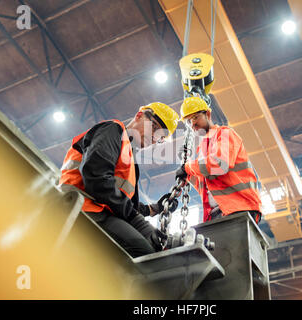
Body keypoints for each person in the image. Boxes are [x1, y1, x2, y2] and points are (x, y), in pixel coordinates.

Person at [59, 102, 180, 257]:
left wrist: (153, 209)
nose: (154, 137)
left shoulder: (130, 160)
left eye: (160, 137)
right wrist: (136, 220)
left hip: (102, 211)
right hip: (82, 206)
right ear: (139, 115)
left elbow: (125, 204)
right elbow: (96, 177)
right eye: (154, 127)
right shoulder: (112, 130)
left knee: (152, 250)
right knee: (142, 251)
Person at [175, 97, 262, 224]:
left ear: (208, 114)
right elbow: (204, 186)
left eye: (195, 117)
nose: (192, 124)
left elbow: (220, 164)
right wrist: (187, 175)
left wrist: (187, 168)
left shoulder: (225, 133)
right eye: (188, 121)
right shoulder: (203, 149)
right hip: (218, 213)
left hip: (240, 207)